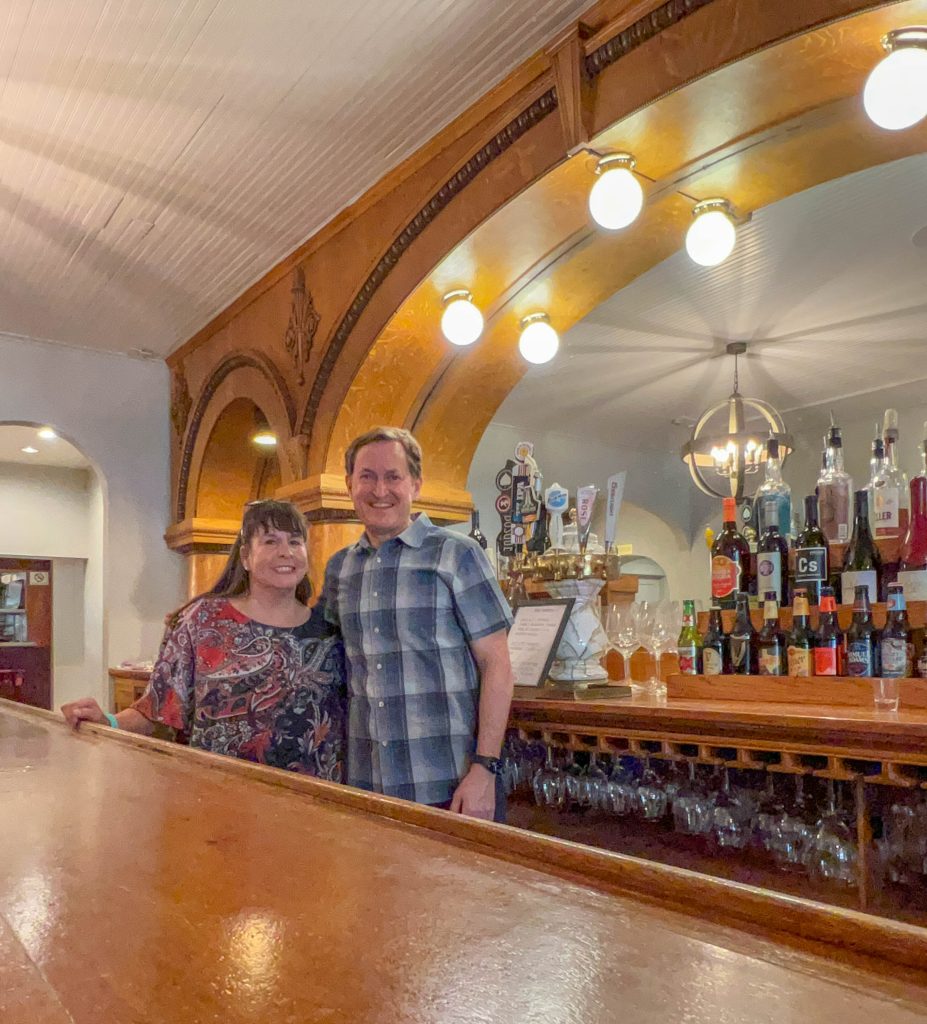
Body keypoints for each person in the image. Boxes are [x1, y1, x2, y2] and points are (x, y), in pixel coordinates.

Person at [61, 500, 345, 781]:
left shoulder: (329, 630)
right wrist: (106, 721)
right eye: (270, 541)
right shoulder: (203, 619)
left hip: (312, 801)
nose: (286, 552)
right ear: (245, 556)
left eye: (295, 542)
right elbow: (159, 709)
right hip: (217, 793)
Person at [321, 426, 514, 821]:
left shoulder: (456, 554)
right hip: (365, 784)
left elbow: (498, 666)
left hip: (449, 785)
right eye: (367, 476)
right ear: (349, 484)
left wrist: (484, 768)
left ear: (416, 484)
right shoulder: (340, 568)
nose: (380, 490)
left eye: (393, 477)